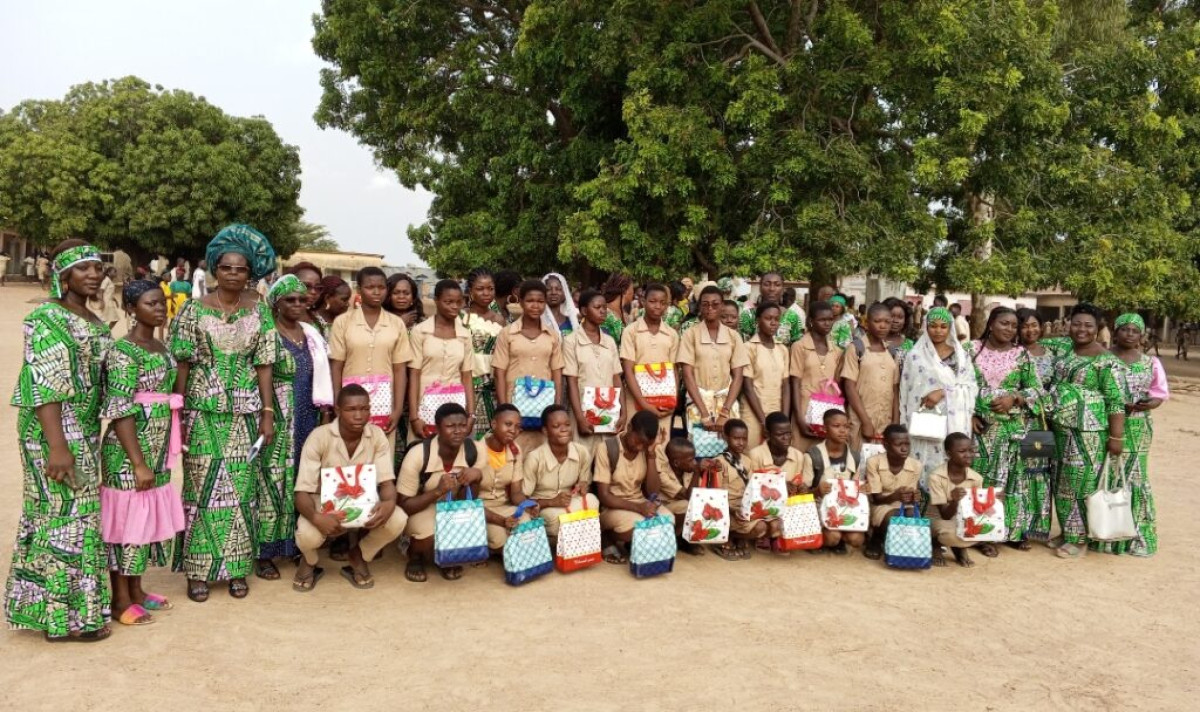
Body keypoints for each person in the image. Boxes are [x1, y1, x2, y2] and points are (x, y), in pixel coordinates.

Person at [6, 241, 113, 641]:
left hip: (82, 429)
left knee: (75, 520)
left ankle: (71, 614)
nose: (92, 274)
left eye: (96, 268)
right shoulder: (49, 318)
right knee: (63, 518)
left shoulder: (91, 318)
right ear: (63, 276)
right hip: (52, 431)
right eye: (82, 269)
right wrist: (58, 446)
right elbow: (44, 384)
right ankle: (60, 621)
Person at [170, 225, 278, 603]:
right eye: (227, 268)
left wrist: (267, 411)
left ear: (250, 275)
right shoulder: (193, 310)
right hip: (202, 412)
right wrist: (176, 414)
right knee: (201, 490)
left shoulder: (260, 311)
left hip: (245, 414)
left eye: (241, 269)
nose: (234, 274)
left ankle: (235, 568)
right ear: (215, 270)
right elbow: (182, 362)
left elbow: (264, 363)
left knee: (241, 491)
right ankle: (198, 571)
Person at [100, 280, 187, 626]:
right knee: (126, 526)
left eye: (162, 302)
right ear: (131, 309)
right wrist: (137, 463)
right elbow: (120, 411)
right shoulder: (124, 352)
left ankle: (137, 591)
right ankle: (120, 600)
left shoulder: (160, 346)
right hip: (128, 452)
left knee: (144, 524)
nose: (159, 308)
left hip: (157, 447)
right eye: (150, 304)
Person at [255, 275, 333, 580]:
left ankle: (297, 544)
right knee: (272, 482)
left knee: (303, 478)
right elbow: (261, 375)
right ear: (276, 303)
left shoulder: (311, 333)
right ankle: (266, 552)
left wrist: (324, 414)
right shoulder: (269, 334)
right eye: (291, 300)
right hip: (278, 415)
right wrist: (267, 413)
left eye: (302, 299)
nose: (299, 304)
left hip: (307, 415)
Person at [291, 385, 406, 591]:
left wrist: (389, 503)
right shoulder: (319, 437)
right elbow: (301, 493)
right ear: (337, 410)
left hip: (363, 501)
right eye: (351, 409)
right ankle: (309, 561)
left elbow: (387, 483)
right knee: (307, 534)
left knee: (398, 518)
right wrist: (318, 518)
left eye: (364, 409)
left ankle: (359, 555)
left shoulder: (377, 435)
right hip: (323, 502)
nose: (359, 415)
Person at [1047, 303, 1126, 559]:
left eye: (1088, 325)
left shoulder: (1106, 361)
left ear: (1098, 328)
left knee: (1081, 483)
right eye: (1077, 323)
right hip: (1059, 427)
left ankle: (1079, 539)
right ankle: (1067, 531)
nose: (1081, 329)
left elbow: (1115, 401)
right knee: (1061, 481)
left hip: (1088, 431)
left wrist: (1116, 437)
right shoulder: (1062, 350)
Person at [969, 307, 1045, 549]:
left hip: (1012, 430)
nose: (1009, 329)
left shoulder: (1021, 355)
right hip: (981, 430)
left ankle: (1011, 533)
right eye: (1004, 323)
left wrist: (1015, 398)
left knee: (1012, 481)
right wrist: (969, 413)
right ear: (991, 324)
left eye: (1014, 325)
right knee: (984, 479)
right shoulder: (970, 350)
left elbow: (1036, 390)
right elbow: (956, 384)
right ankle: (983, 533)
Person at [1098, 313, 1167, 556]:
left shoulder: (1151, 362)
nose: (1129, 334)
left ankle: (1138, 537)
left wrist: (1151, 403)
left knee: (1135, 478)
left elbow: (1160, 393)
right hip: (1105, 423)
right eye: (1124, 329)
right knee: (1108, 474)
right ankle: (1106, 536)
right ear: (1115, 332)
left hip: (1138, 426)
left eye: (1134, 331)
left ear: (1141, 336)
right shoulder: (1101, 358)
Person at [329, 266, 412, 459]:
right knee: (349, 455)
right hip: (350, 402)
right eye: (370, 287)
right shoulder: (343, 322)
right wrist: (337, 401)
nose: (376, 292)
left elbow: (400, 370)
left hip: (384, 403)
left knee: (381, 456)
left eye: (381, 287)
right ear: (359, 290)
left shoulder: (396, 323)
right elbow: (337, 366)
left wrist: (398, 408)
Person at [396, 403, 482, 583]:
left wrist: (477, 477)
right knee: (430, 534)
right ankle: (414, 556)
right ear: (437, 429)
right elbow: (404, 505)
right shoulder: (419, 454)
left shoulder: (473, 450)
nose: (458, 431)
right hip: (421, 508)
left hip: (452, 507)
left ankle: (447, 558)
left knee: (462, 522)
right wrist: (437, 491)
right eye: (450, 426)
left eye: (462, 425)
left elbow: (471, 499)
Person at [899, 306, 978, 485]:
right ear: (926, 327)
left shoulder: (961, 355)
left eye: (943, 326)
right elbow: (906, 390)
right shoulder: (915, 356)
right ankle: (923, 504)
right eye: (933, 326)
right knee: (922, 466)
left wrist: (943, 393)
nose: (938, 331)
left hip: (954, 423)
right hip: (924, 421)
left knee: (950, 462)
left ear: (950, 328)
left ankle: (947, 506)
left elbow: (970, 386)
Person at [492, 279, 564, 452]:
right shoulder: (507, 333)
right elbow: (499, 373)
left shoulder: (552, 336)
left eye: (540, 301)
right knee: (513, 452)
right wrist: (504, 408)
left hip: (543, 405)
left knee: (540, 453)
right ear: (521, 301)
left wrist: (556, 407)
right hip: (514, 402)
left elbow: (557, 374)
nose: (536, 306)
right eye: (530, 301)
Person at [595, 410, 671, 564]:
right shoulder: (607, 447)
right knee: (640, 526)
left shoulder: (647, 450)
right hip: (612, 507)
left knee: (668, 521)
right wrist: (638, 508)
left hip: (639, 502)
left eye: (646, 444)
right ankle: (608, 537)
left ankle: (633, 541)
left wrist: (651, 454)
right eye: (638, 441)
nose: (640, 447)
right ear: (629, 428)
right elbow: (604, 496)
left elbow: (653, 492)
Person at [407, 279, 476, 443]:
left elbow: (467, 376)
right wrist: (414, 417)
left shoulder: (465, 335)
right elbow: (414, 375)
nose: (454, 307)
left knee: (454, 456)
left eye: (459, 302)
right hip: (425, 406)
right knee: (423, 453)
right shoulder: (420, 332)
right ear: (436, 301)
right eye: (448, 302)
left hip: (455, 406)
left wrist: (471, 413)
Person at [679, 285, 748, 437]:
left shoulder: (733, 336)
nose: (710, 308)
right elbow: (687, 374)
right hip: (698, 404)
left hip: (726, 403)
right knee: (698, 452)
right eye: (705, 304)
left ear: (722, 306)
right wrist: (704, 413)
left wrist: (725, 412)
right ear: (699, 307)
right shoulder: (690, 335)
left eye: (715, 304)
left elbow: (738, 376)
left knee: (728, 450)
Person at [523, 405, 597, 539]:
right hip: (543, 507)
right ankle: (574, 542)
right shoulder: (534, 458)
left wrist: (583, 485)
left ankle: (577, 546)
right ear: (545, 431)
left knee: (592, 500)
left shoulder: (582, 452)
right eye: (556, 426)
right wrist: (551, 502)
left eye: (567, 424)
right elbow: (523, 499)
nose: (564, 430)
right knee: (556, 518)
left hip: (570, 502)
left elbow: (584, 484)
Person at [619, 282, 681, 443]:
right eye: (653, 301)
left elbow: (673, 370)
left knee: (659, 445)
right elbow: (628, 370)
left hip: (663, 404)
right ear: (643, 301)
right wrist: (643, 403)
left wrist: (673, 401)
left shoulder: (672, 334)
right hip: (636, 400)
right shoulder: (631, 332)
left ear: (667, 305)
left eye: (662, 303)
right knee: (635, 442)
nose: (657, 306)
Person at [563, 288, 623, 451]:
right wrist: (580, 418)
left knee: (606, 463)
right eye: (597, 307)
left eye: (604, 307)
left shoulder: (609, 341)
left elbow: (616, 378)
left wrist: (622, 412)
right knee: (582, 461)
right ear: (583, 311)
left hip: (608, 412)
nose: (603, 311)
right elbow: (572, 382)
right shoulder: (571, 341)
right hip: (583, 412)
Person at [928, 433, 998, 567]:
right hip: (939, 520)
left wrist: (994, 501)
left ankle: (959, 546)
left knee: (990, 526)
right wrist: (954, 501)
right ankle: (936, 543)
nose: (968, 454)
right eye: (962, 451)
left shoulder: (976, 478)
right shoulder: (936, 476)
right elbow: (944, 515)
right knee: (952, 533)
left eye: (971, 450)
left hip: (961, 520)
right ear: (949, 453)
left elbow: (977, 511)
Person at [803, 409, 865, 554]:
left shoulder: (855, 457)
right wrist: (817, 491)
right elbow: (802, 492)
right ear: (824, 429)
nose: (843, 431)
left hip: (845, 506)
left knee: (857, 539)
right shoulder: (813, 455)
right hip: (820, 504)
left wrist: (862, 490)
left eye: (846, 426)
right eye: (836, 426)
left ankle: (839, 538)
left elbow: (856, 488)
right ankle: (821, 539)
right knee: (832, 537)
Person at [474, 404, 533, 557]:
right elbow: (469, 502)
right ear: (494, 424)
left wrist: (528, 504)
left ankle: (506, 553)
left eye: (517, 426)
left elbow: (516, 494)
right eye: (508, 424)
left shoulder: (515, 450)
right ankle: (489, 548)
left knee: (526, 523)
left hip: (503, 506)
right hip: (480, 509)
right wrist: (500, 520)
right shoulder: (474, 449)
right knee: (500, 539)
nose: (513, 430)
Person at [841, 303, 900, 451]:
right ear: (867, 323)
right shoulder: (856, 349)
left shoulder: (891, 352)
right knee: (859, 464)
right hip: (860, 420)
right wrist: (865, 421)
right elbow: (849, 387)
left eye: (887, 322)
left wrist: (895, 422)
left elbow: (895, 390)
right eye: (877, 321)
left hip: (885, 424)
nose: (883, 326)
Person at [862, 424, 923, 560]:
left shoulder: (915, 465)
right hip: (879, 505)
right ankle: (876, 538)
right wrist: (895, 495)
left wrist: (914, 497)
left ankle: (899, 546)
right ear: (886, 445)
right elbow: (877, 498)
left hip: (902, 505)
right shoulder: (874, 462)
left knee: (912, 513)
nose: (904, 448)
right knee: (893, 517)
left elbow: (911, 498)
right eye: (898, 444)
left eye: (907, 444)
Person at [791, 301, 844, 452]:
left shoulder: (837, 350)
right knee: (801, 453)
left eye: (830, 319)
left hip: (827, 410)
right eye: (822, 320)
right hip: (804, 407)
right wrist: (799, 418)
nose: (827, 323)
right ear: (811, 321)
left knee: (823, 457)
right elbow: (795, 382)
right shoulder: (799, 346)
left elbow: (838, 384)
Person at [713, 419, 767, 560]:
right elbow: (715, 495)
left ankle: (734, 536)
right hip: (725, 510)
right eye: (736, 438)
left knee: (762, 526)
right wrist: (731, 510)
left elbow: (753, 488)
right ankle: (723, 539)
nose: (741, 443)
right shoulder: (719, 462)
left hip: (743, 509)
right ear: (726, 437)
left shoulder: (748, 461)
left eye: (744, 439)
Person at [462, 267, 507, 438]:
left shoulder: (500, 319)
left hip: (491, 389)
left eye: (490, 289)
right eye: (480, 289)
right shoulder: (461, 317)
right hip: (466, 387)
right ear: (470, 291)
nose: (486, 293)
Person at [739, 303, 791, 445]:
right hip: (753, 412)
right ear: (757, 320)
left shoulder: (783, 349)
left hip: (776, 409)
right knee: (752, 454)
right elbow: (747, 387)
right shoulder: (749, 348)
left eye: (776, 319)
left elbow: (786, 386)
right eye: (768, 318)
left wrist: (784, 420)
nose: (773, 322)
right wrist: (764, 422)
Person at [654, 438, 706, 555]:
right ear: (676, 463)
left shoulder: (688, 471)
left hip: (676, 509)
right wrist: (697, 471)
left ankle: (681, 539)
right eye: (690, 460)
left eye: (694, 458)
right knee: (688, 506)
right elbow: (690, 497)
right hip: (661, 509)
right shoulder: (663, 474)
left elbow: (700, 496)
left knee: (696, 506)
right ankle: (672, 539)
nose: (694, 462)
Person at [739, 271, 803, 345]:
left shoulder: (793, 317)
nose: (772, 289)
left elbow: (798, 348)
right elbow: (742, 346)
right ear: (760, 288)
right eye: (767, 284)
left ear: (782, 289)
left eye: (777, 285)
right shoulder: (748, 315)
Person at [600, 272, 634, 345]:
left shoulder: (624, 314)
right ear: (625, 291)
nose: (633, 292)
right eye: (632, 289)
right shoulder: (605, 314)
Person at [542, 272, 579, 337]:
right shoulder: (538, 322)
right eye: (548, 289)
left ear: (564, 293)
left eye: (558, 289)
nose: (554, 292)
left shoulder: (573, 321)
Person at [883, 297, 915, 369]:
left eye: (900, 317)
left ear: (905, 321)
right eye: (891, 316)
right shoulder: (872, 341)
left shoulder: (909, 345)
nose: (895, 321)